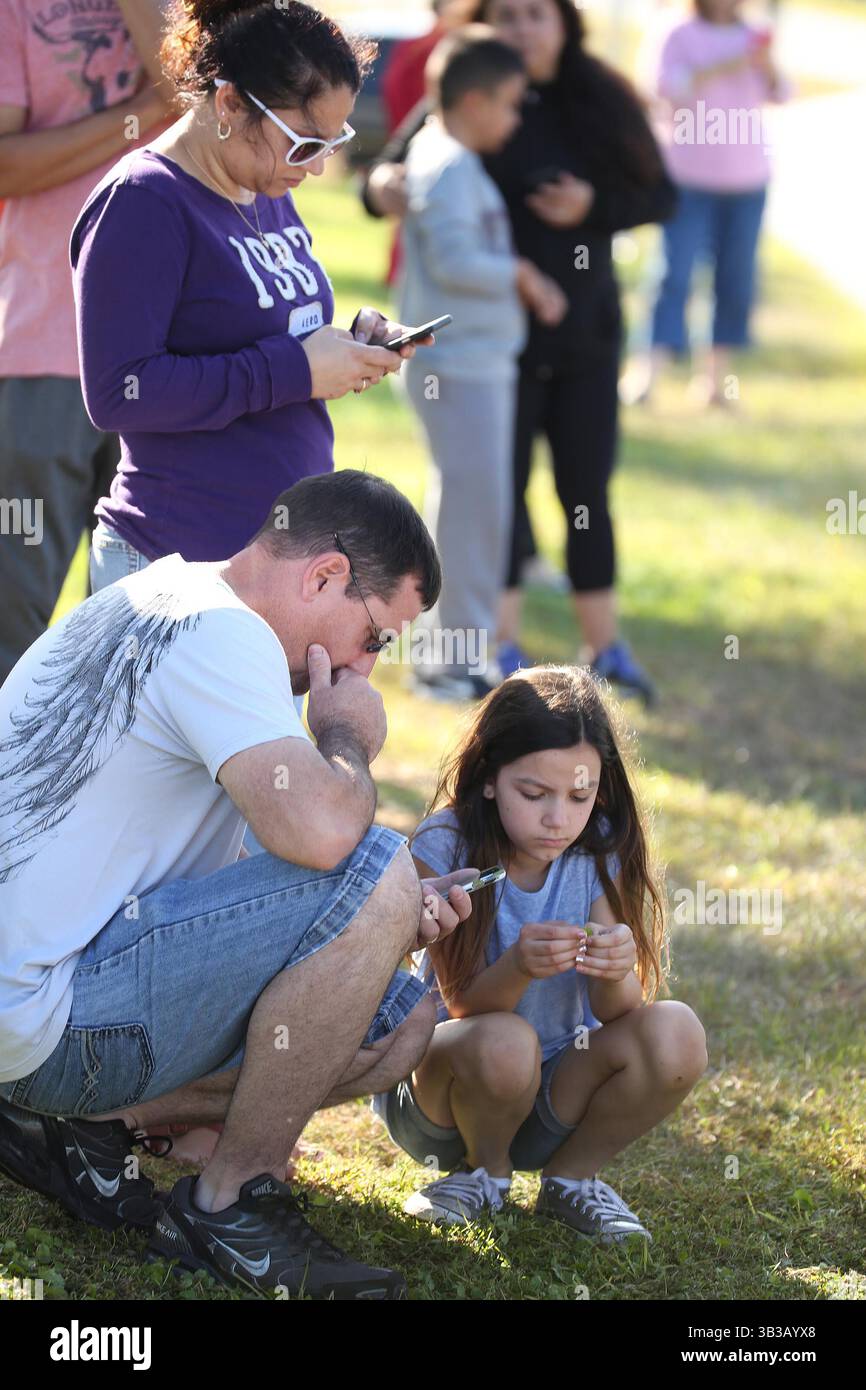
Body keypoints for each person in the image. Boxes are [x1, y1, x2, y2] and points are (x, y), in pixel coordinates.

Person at [0, 470, 479, 1300]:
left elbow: (250, 886)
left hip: (33, 1000)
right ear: (324, 575)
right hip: (43, 1011)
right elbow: (331, 835)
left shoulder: (159, 590)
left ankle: (79, 1126)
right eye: (376, 637)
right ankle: (229, 1205)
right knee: (374, 866)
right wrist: (343, 737)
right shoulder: (226, 636)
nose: (366, 668)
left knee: (398, 1024)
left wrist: (386, 920)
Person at [362, 0, 677, 706]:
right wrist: (383, 187)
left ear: (565, 22)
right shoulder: (462, 99)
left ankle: (603, 649)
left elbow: (661, 194)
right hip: (483, 353)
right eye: (506, 14)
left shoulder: (598, 94)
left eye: (538, 14)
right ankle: (478, 650)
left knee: (581, 490)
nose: (522, 28)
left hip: (578, 337)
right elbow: (388, 179)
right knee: (487, 500)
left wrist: (592, 206)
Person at [71, 0, 430, 594]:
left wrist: (347, 343)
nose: (314, 168)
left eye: (330, 144)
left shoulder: (262, 181)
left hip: (273, 567)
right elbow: (119, 393)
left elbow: (257, 333)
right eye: (302, 144)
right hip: (176, 565)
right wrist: (296, 370)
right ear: (230, 104)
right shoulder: (143, 202)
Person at [372, 664, 707, 1237]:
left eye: (580, 796)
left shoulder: (596, 854)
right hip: (444, 1096)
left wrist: (617, 967)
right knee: (506, 1040)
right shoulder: (446, 843)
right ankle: (483, 1175)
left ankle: (572, 1181)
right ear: (488, 778)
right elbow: (461, 1006)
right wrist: (518, 966)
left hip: (552, 1094)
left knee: (676, 1031)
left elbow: (619, 1015)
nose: (559, 819)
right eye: (534, 793)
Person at [0, 0, 169, 685]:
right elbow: (6, 167)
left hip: (179, 356)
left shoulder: (194, 10)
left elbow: (224, 115)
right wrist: (142, 113)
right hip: (44, 348)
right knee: (12, 611)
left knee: (149, 628)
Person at [399, 26, 566, 701]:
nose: (515, 117)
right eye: (509, 103)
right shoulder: (446, 165)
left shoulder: (457, 160)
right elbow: (452, 260)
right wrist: (521, 273)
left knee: (474, 514)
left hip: (480, 368)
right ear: (472, 101)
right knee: (473, 519)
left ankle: (452, 652)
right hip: (459, 369)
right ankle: (449, 664)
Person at [625, 0, 789, 408]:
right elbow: (661, 90)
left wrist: (764, 63)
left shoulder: (756, 35)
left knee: (734, 281)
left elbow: (782, 93)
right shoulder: (674, 32)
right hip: (688, 179)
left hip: (746, 180)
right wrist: (724, 65)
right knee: (673, 276)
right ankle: (647, 374)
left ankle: (716, 383)